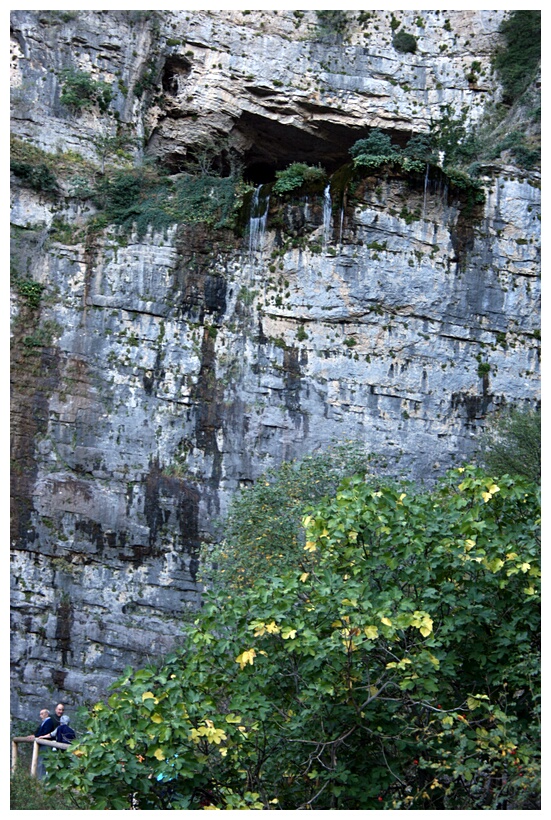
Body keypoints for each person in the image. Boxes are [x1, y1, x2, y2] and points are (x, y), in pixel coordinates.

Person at [24, 709, 56, 779]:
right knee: (41, 761)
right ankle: (40, 778)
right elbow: (39, 732)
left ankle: (41, 779)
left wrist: (36, 736)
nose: (40, 716)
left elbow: (45, 732)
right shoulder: (44, 722)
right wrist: (34, 735)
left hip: (46, 744)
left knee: (43, 762)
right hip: (43, 744)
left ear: (46, 714)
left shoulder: (49, 722)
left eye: (42, 714)